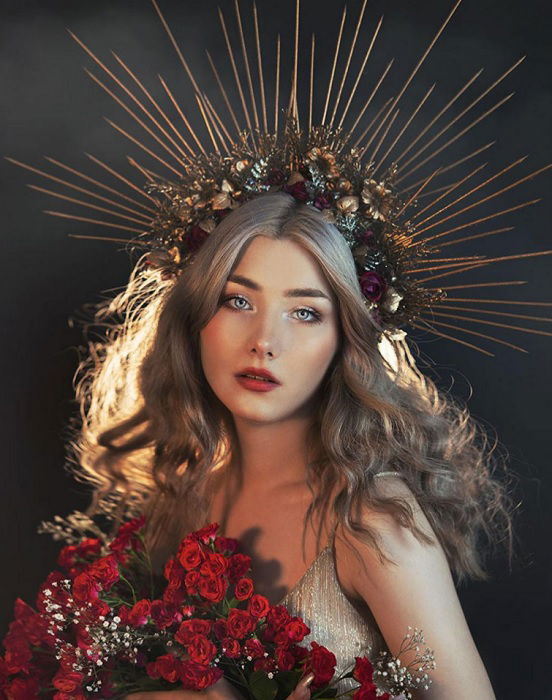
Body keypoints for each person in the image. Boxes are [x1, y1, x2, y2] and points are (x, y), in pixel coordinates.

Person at [71, 192, 512, 699]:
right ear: (195, 320)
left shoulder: (369, 519)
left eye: (304, 313)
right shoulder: (181, 498)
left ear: (344, 340)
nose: (264, 340)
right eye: (237, 301)